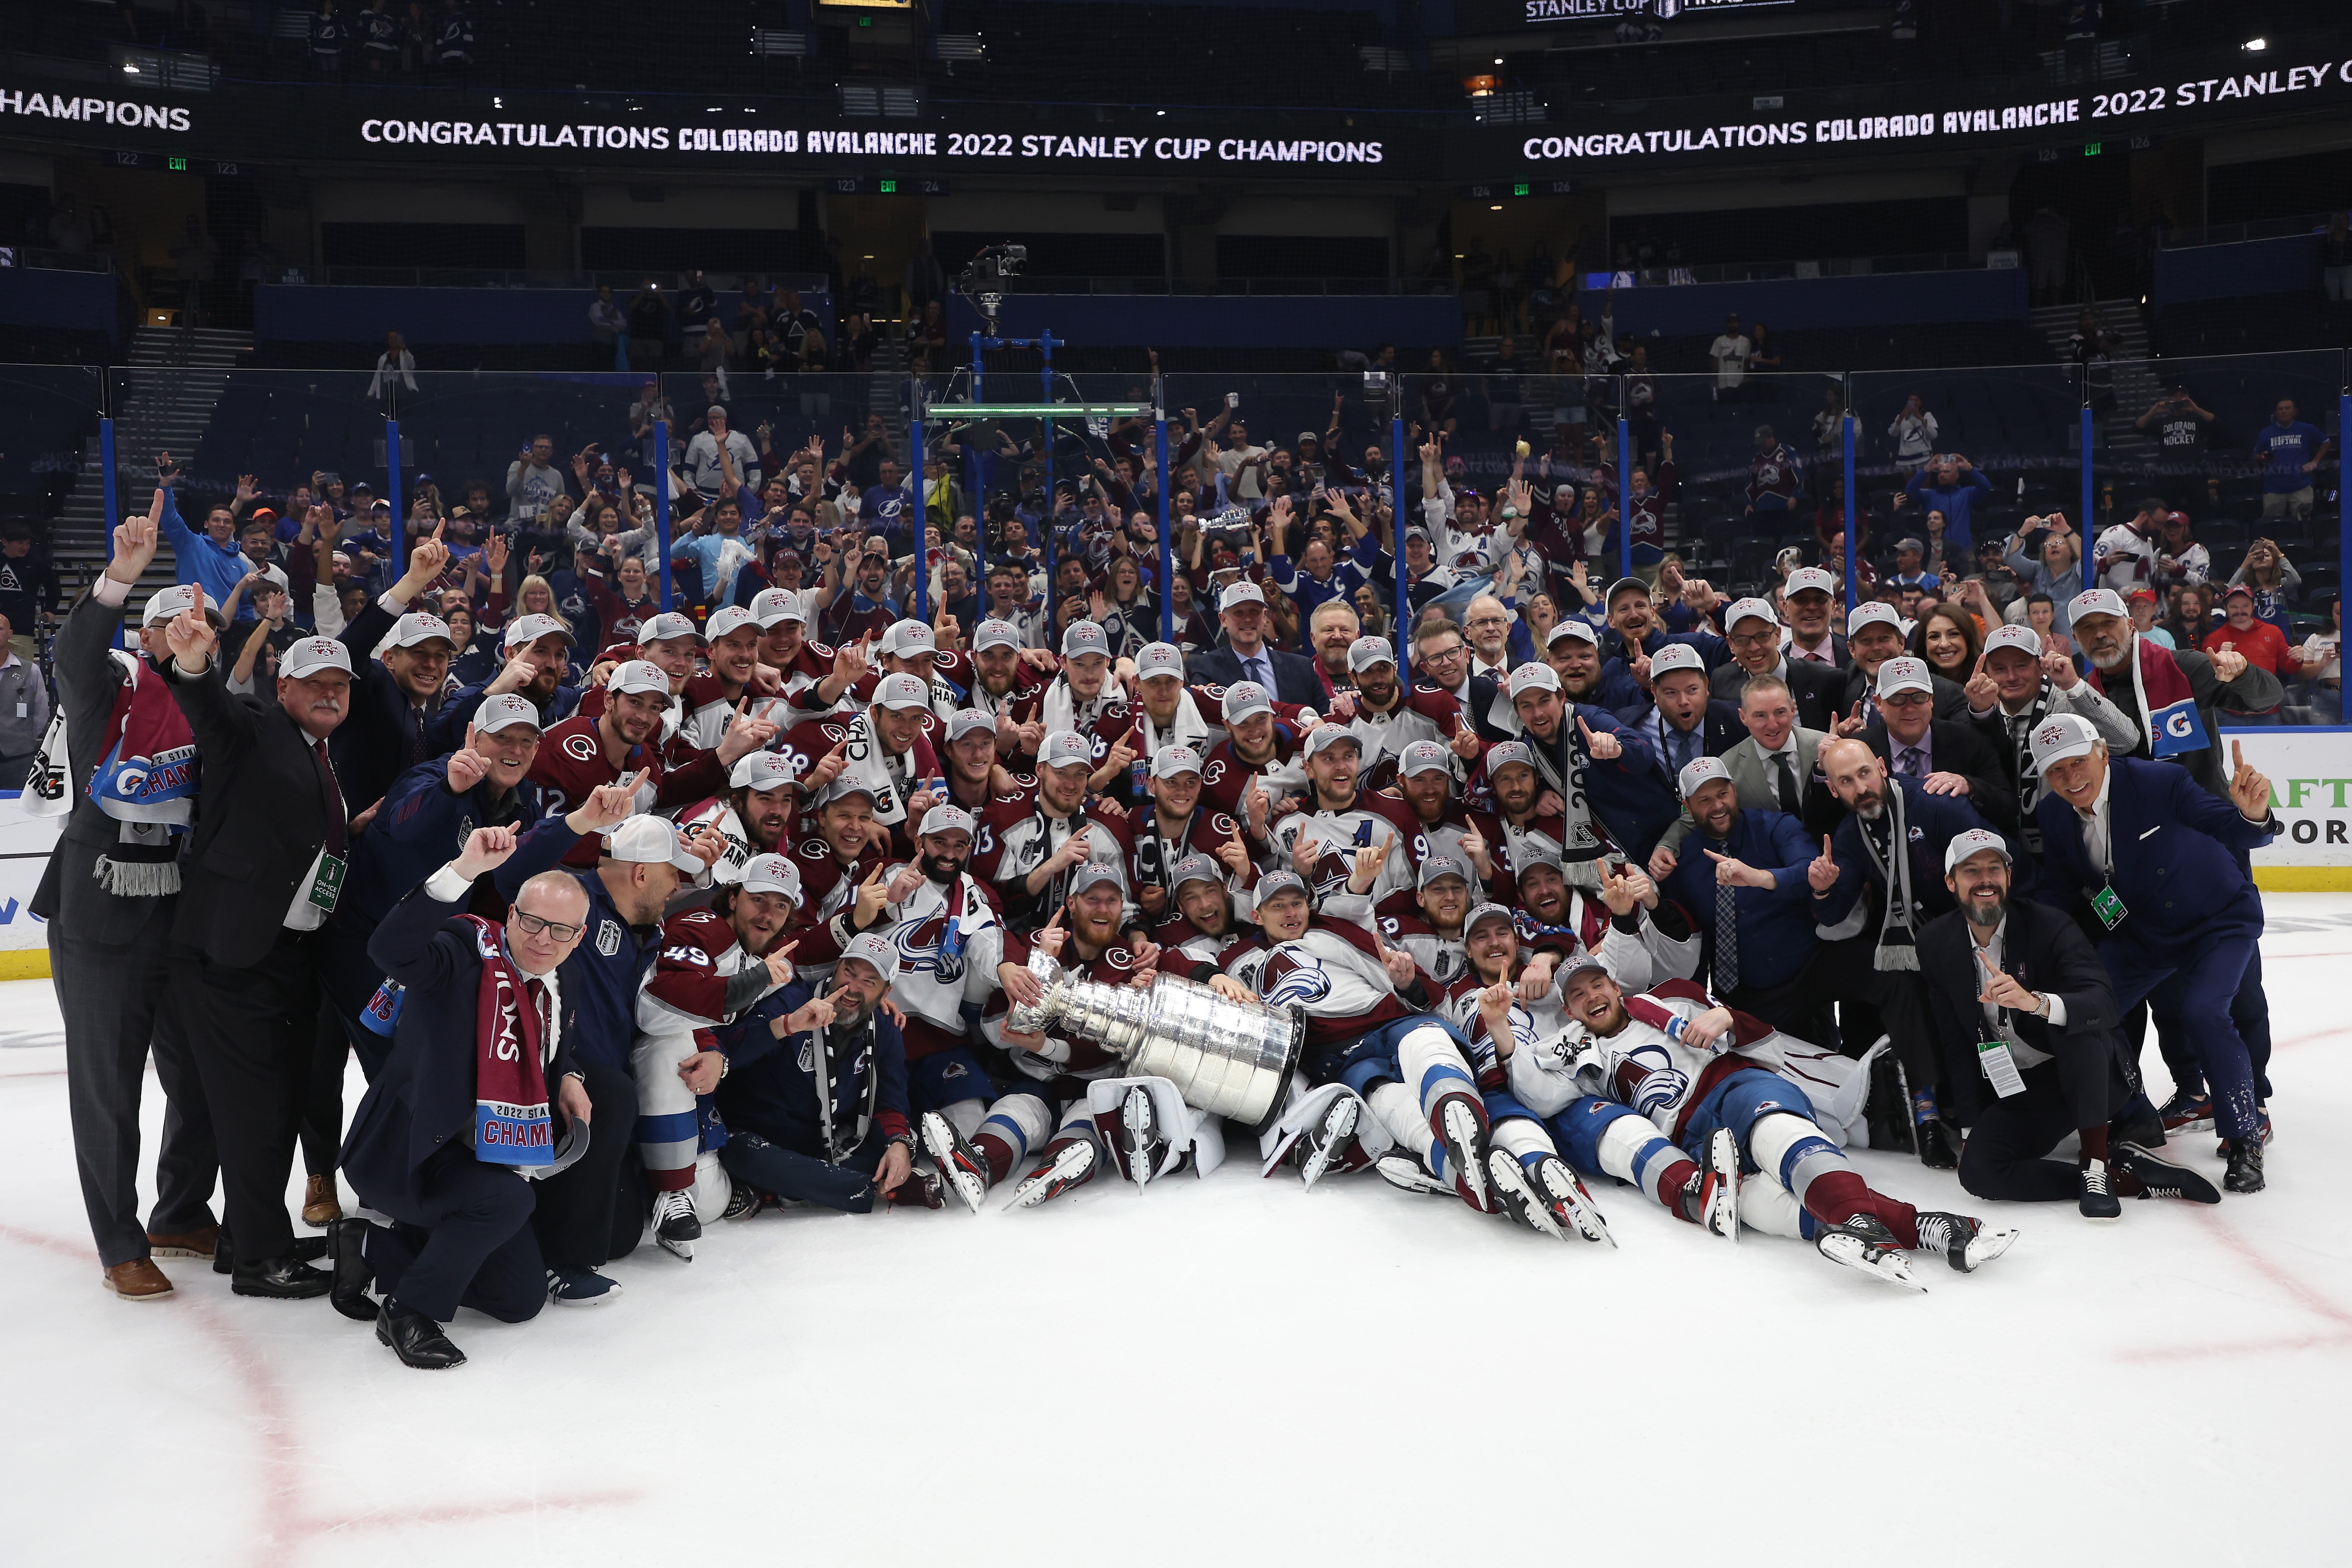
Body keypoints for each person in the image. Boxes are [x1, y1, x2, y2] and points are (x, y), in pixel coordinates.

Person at [1529, 958, 2016, 1287]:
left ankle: (1856, 1222)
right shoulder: (1573, 1057)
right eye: (1576, 994)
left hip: (1735, 1085)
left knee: (1778, 1137)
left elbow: (1772, 1050)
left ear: (1615, 987)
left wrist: (1728, 1020)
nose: (1590, 995)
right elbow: (1539, 1093)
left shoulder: (1671, 999)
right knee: (1753, 1203)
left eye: (1596, 984)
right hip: (1690, 1135)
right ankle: (1927, 1226)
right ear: (1568, 1011)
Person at [33, 512, 220, 1300]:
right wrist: (120, 574)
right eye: (174, 621)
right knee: (109, 1086)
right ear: (146, 636)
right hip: (102, 909)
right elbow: (73, 651)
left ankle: (181, 1208)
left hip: (186, 911)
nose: (190, 630)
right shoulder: (110, 685)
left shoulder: (213, 697)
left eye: (201, 620)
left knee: (204, 1072)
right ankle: (119, 1237)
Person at [331, 828, 596, 1368]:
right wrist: (462, 871)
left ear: (580, 935)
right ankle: (407, 1311)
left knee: (519, 1300)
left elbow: (549, 1046)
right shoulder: (462, 953)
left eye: (561, 929)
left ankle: (370, 1249)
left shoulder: (561, 975)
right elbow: (390, 950)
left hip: (481, 1157)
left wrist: (570, 1074)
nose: (542, 939)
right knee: (507, 1201)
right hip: (412, 1153)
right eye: (531, 921)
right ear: (511, 913)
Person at [160, 607, 359, 1299]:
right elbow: (208, 709)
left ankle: (251, 1234)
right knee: (254, 1109)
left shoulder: (321, 756)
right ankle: (257, 1259)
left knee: (275, 1103)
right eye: (316, 683)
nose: (330, 693)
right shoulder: (253, 726)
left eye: (341, 683)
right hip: (229, 956)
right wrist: (192, 666)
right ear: (283, 687)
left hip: (283, 956)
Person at [2029, 713, 2277, 1192]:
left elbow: (2227, 825)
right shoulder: (2053, 813)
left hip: (2216, 921)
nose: (2069, 777)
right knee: (2086, 1010)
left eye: (2077, 762)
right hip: (2141, 933)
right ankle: (2133, 1114)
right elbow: (2058, 893)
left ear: (2102, 751)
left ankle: (2244, 1135)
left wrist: (2250, 815)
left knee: (2203, 1011)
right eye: (2055, 771)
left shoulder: (2157, 780)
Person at [1917, 829, 2213, 1218]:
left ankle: (2094, 1163)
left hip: (2094, 1075)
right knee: (1978, 1172)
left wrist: (2035, 1003)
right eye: (1971, 870)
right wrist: (1972, 1130)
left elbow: (2102, 1004)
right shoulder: (1935, 942)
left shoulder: (2050, 926)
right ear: (1951, 882)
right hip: (2026, 1087)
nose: (1984, 879)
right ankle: (2128, 1174)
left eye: (1994, 868)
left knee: (2078, 1020)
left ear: (2009, 876)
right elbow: (1956, 1041)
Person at [1811, 736, 1997, 1167]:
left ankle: (1983, 1115)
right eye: (1846, 782)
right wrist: (1822, 891)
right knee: (1902, 992)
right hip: (1916, 945)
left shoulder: (1932, 803)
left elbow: (1994, 859)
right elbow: (1836, 910)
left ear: (1881, 766)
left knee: (1968, 1012)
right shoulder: (1848, 833)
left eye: (1864, 774)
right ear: (1834, 791)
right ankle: (1928, 1114)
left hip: (1975, 931)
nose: (1861, 788)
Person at [719, 931, 922, 1215]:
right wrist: (786, 1026)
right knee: (743, 1155)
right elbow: (726, 1052)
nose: (852, 988)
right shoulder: (791, 1002)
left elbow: (890, 1099)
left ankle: (789, 1187)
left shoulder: (884, 1026)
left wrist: (899, 1143)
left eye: (869, 982)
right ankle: (875, 1189)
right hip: (760, 1135)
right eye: (849, 972)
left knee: (895, 1145)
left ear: (886, 993)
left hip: (826, 1144)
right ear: (836, 966)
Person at [1655, 759, 1829, 1037]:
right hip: (1744, 996)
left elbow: (1809, 873)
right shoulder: (1684, 861)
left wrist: (1760, 877)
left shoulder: (1776, 827)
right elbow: (1691, 938)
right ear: (1687, 807)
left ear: (1734, 791)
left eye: (1723, 794)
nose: (1717, 806)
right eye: (1704, 800)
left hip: (1810, 973)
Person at [2066, 588, 2284, 799]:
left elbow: (2269, 698)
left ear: (2131, 626)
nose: (2100, 634)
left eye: (2109, 622)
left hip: (2200, 820)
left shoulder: (2183, 668)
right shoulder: (2084, 695)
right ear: (2076, 639)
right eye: (2087, 627)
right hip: (2129, 822)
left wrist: (2243, 675)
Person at [1708, 597, 1843, 731]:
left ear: (1778, 635)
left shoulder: (1823, 679)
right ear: (1731, 644)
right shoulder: (1722, 682)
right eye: (1742, 640)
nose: (1754, 647)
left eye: (1762, 636)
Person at [1186, 580, 1326, 708]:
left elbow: (1324, 714)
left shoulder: (1302, 667)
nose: (1247, 619)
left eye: (1254, 611)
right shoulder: (1207, 668)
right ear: (1223, 619)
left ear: (1265, 616)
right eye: (1239, 613)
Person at [2254, 397, 2327, 522]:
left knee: (2303, 523)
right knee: (2272, 525)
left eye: (2287, 408)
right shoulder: (2266, 433)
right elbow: (2255, 455)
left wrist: (2315, 462)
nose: (2283, 411)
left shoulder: (2307, 429)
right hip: (2274, 488)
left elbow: (2326, 443)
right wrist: (2263, 457)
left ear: (2294, 412)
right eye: (2280, 409)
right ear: (2276, 413)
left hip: (2301, 485)